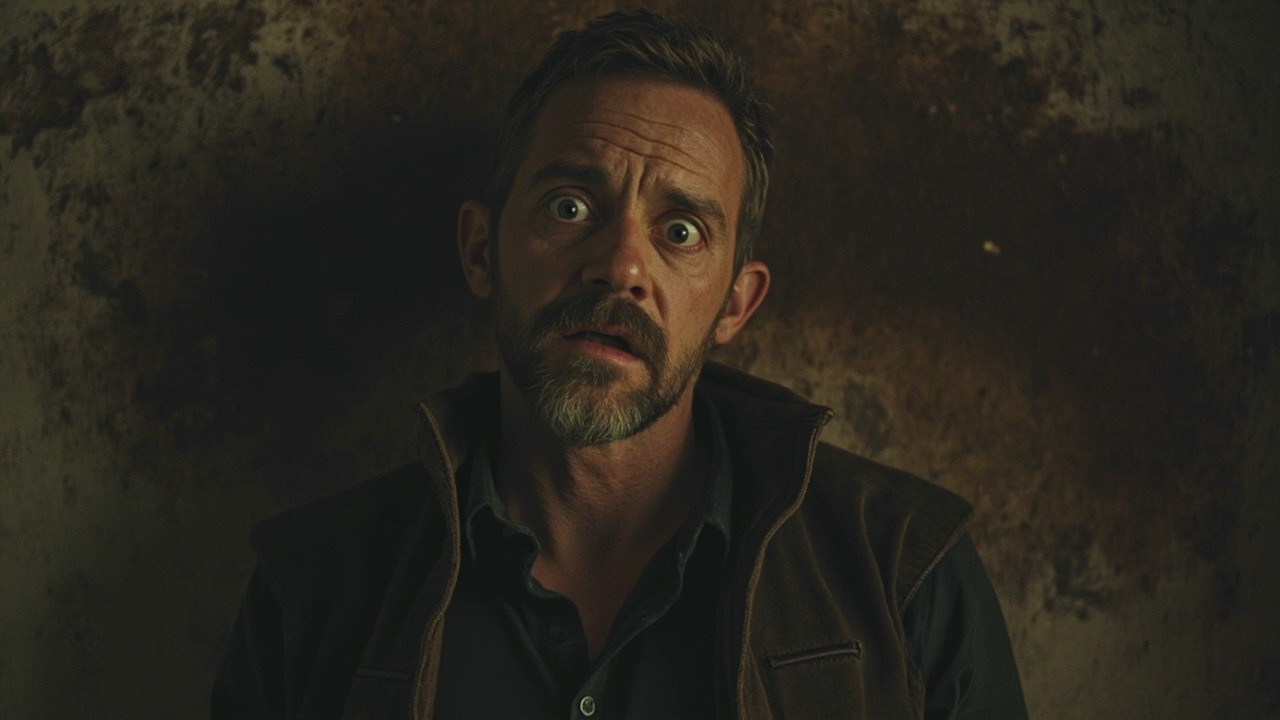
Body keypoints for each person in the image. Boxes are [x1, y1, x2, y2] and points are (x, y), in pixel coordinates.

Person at [212, 9, 1027, 719]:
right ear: (481, 251)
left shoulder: (905, 571)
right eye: (571, 207)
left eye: (681, 231)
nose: (620, 266)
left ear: (734, 305)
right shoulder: (311, 588)